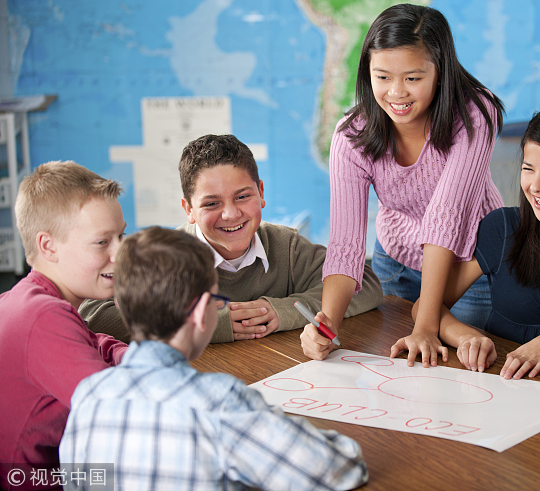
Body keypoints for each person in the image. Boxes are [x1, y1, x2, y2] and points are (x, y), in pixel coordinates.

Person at [60, 227, 368, 489]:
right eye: (216, 300)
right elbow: (342, 469)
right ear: (200, 313)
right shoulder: (221, 405)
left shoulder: (87, 398)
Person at [304, 3, 505, 366]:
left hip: (468, 264)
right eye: (383, 77)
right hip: (394, 263)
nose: (396, 93)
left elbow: (447, 216)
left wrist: (427, 323)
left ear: (440, 71)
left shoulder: (476, 112)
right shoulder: (352, 136)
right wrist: (328, 325)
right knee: (398, 376)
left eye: (412, 78)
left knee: (465, 375)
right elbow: (346, 244)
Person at [81, 134, 383, 344]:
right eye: (211, 204)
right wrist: (211, 322)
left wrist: (282, 311)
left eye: (243, 197)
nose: (230, 214)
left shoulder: (287, 248)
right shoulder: (163, 256)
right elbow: (92, 313)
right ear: (188, 209)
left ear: (261, 193)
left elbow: (366, 284)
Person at [391, 104, 540, 376]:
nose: (536, 185)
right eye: (528, 168)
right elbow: (425, 308)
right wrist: (466, 336)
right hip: (501, 395)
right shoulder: (503, 229)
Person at [0, 162, 128, 484]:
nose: (121, 252)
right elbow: (120, 412)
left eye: (122, 236)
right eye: (103, 242)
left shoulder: (30, 299)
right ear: (48, 246)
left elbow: (93, 341)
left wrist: (125, 355)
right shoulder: (43, 316)